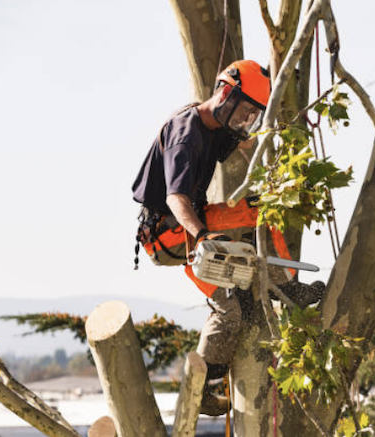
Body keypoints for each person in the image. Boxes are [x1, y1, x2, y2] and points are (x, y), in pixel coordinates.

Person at [132, 60, 323, 416]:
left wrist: (286, 176)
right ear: (225, 93)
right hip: (169, 232)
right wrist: (203, 235)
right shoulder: (186, 134)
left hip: (189, 225)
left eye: (254, 113)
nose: (246, 119)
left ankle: (204, 385)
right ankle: (286, 288)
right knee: (251, 228)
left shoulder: (217, 124)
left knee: (236, 304)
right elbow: (176, 197)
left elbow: (247, 144)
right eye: (245, 110)